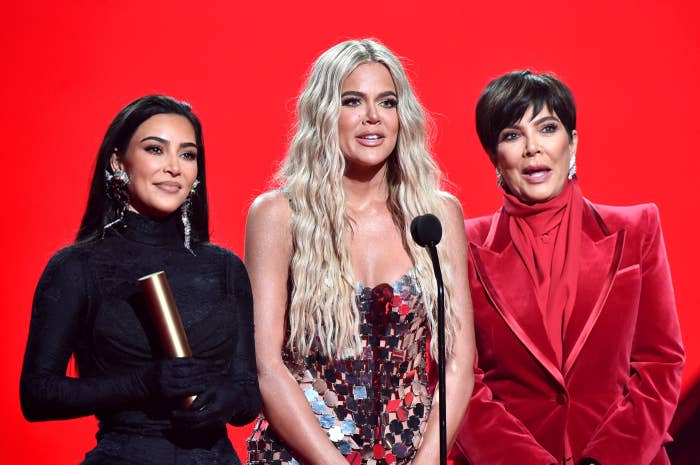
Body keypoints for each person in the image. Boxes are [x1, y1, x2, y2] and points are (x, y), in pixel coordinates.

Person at [244, 39, 475, 465]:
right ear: (324, 114)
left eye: (386, 102)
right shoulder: (280, 215)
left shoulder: (437, 214)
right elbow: (267, 368)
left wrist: (426, 462)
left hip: (412, 455)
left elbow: (460, 360)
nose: (372, 117)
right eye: (353, 101)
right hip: (301, 455)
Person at [453, 71, 684, 465]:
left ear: (572, 142)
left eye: (547, 128)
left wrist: (606, 460)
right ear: (494, 155)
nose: (532, 148)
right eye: (512, 135)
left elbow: (660, 364)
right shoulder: (464, 245)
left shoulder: (637, 229)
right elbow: (461, 381)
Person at [20, 95, 262, 465]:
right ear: (119, 161)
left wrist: (225, 398)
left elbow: (248, 394)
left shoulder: (225, 268)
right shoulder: (77, 267)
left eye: (187, 154)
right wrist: (142, 384)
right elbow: (38, 395)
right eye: (155, 149)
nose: (173, 168)